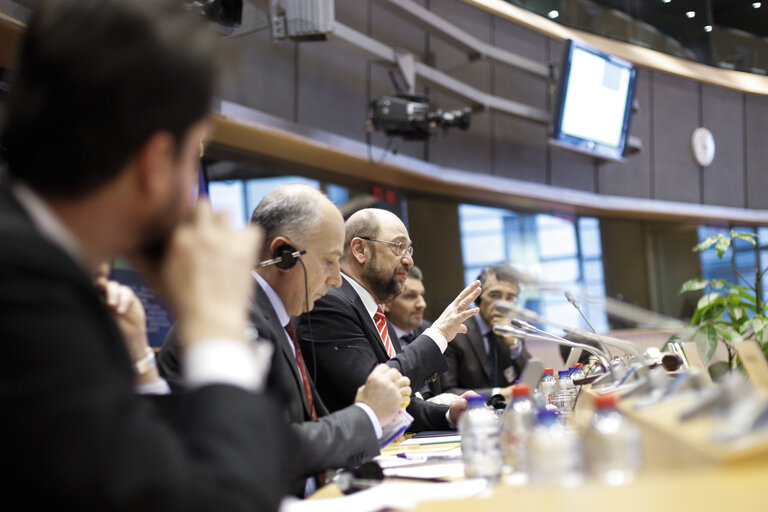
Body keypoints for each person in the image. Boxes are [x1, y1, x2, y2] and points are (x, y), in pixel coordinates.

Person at [0, 1, 293, 509]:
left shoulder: (38, 267)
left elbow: (140, 468)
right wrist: (217, 326)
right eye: (194, 151)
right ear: (157, 163)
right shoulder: (25, 289)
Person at [158, 185, 410, 497]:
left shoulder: (274, 317)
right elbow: (274, 445)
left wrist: (378, 413)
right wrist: (368, 414)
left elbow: (310, 425)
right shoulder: (231, 322)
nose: (336, 279)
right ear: (284, 255)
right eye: (330, 260)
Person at [296, 208, 482, 431]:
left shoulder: (373, 312)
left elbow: (402, 407)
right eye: (398, 246)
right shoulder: (329, 303)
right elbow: (378, 393)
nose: (409, 260)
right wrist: (438, 334)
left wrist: (451, 416)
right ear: (360, 249)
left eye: (409, 248)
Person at [443, 264, 532, 399]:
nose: (502, 304)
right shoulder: (456, 332)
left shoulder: (513, 331)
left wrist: (513, 344)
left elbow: (532, 378)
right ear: (479, 299)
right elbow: (447, 391)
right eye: (494, 295)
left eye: (509, 297)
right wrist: (498, 394)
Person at [383, 265, 446, 399]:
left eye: (421, 295)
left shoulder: (427, 329)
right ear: (387, 302)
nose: (422, 304)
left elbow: (445, 387)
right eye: (410, 296)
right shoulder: (380, 337)